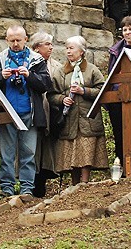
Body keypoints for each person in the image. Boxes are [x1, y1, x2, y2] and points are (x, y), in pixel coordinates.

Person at [0, 25, 52, 197]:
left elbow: (46, 84)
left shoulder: (36, 59)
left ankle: (26, 189)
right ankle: (7, 189)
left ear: (26, 39)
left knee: (29, 153)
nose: (16, 43)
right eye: (12, 40)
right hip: (6, 114)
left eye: (19, 40)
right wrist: (1, 76)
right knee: (7, 154)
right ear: (6, 40)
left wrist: (29, 75)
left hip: (29, 113)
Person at [49, 36, 107, 184]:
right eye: (67, 48)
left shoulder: (92, 70)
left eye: (71, 48)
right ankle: (74, 183)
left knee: (86, 150)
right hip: (70, 119)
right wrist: (62, 99)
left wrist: (84, 91)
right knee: (72, 150)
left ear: (81, 51)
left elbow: (102, 90)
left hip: (88, 118)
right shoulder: (60, 72)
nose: (68, 51)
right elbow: (51, 95)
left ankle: (85, 182)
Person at [106, 15, 131, 164]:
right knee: (119, 133)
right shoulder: (115, 50)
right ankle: (121, 164)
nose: (127, 32)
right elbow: (110, 75)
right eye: (125, 29)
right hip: (117, 96)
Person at [31, 32, 60, 197]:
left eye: (51, 44)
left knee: (47, 149)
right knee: (33, 149)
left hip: (51, 114)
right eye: (47, 44)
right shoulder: (29, 63)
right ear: (37, 47)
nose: (51, 47)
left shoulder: (56, 66)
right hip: (34, 113)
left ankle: (43, 182)